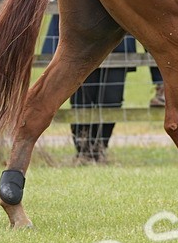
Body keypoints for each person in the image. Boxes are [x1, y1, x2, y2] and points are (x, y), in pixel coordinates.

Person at [41, 14, 136, 164]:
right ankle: (83, 149)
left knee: (112, 98)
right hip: (80, 39)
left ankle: (100, 147)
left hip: (118, 39)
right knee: (82, 97)